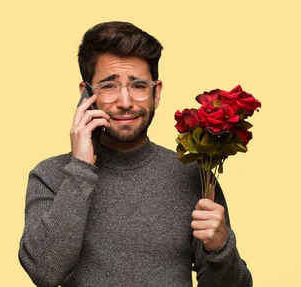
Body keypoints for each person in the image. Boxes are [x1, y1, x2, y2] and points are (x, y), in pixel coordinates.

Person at [18, 21, 252, 287]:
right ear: (86, 95)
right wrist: (80, 168)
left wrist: (220, 248)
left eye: (139, 85)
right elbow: (45, 273)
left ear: (157, 92)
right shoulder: (50, 176)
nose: (126, 102)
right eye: (109, 86)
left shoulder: (194, 175)